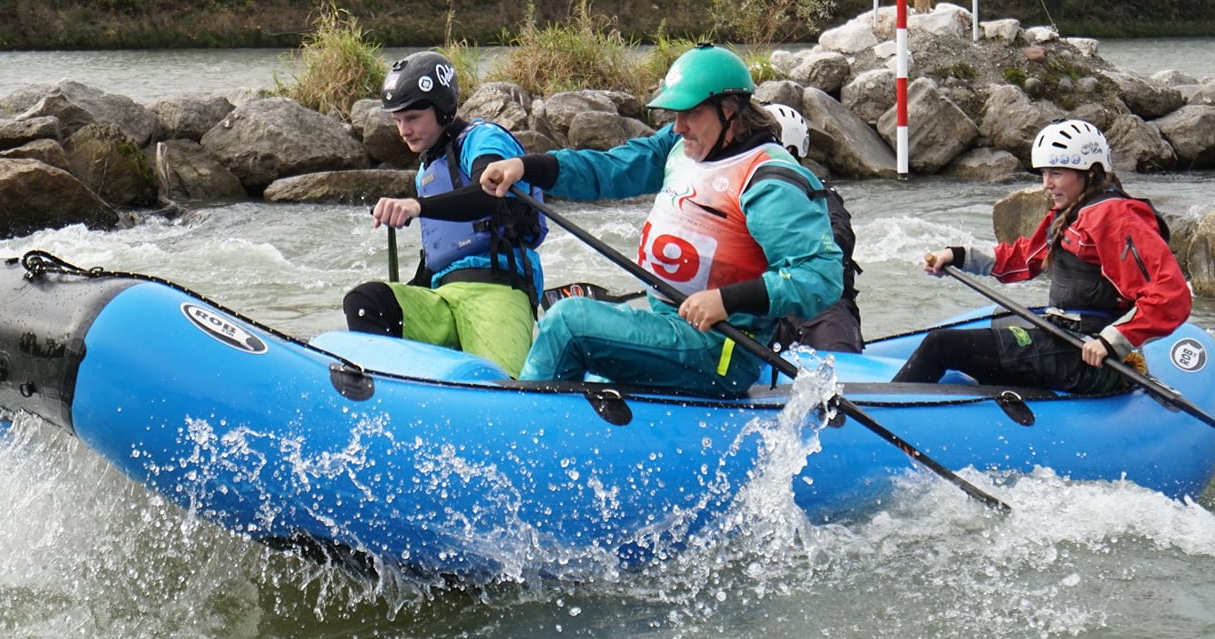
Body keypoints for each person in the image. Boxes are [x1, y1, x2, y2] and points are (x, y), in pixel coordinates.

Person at [477, 45, 841, 397]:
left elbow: (820, 277)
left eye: (689, 114)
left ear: (729, 109)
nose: (678, 126)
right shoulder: (680, 145)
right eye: (674, 114)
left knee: (568, 321)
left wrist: (726, 300)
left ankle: (524, 429)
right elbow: (612, 169)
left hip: (721, 349)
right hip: (670, 325)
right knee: (568, 320)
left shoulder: (768, 180)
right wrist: (527, 166)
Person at [894, 118, 1190, 393]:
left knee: (941, 345)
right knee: (970, 349)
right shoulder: (1072, 213)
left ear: (1089, 173)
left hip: (1086, 354)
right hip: (1059, 335)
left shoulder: (1116, 217)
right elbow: (1023, 257)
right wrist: (957, 256)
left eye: (1056, 174)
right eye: (1044, 173)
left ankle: (881, 415)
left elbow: (1171, 296)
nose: (1046, 184)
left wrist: (1112, 342)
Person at [342, 51, 547, 376]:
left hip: (498, 290)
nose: (403, 130)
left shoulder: (483, 138)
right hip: (442, 298)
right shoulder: (427, 171)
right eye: (397, 120)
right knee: (367, 301)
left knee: (500, 390)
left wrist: (416, 206)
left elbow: (489, 192)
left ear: (442, 110)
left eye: (412, 118)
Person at [760, 101, 866, 354]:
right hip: (766, 306)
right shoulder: (742, 190)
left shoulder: (818, 192)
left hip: (822, 304)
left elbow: (840, 234)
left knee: (841, 370)